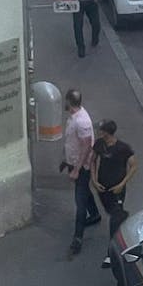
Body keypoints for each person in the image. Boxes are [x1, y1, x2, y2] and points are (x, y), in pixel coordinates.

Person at [91, 118, 136, 269]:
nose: (98, 131)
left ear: (106, 132)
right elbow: (93, 161)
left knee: (113, 220)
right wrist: (94, 180)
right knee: (111, 212)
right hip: (103, 188)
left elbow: (134, 166)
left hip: (117, 189)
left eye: (101, 129)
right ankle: (122, 214)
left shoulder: (122, 148)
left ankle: (112, 253)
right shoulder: (99, 144)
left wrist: (122, 184)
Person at [62, 89, 99, 257]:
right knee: (84, 191)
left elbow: (86, 146)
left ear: (69, 101)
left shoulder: (81, 121)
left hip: (81, 167)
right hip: (74, 162)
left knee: (80, 201)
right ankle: (96, 215)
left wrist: (76, 169)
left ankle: (77, 238)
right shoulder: (75, 116)